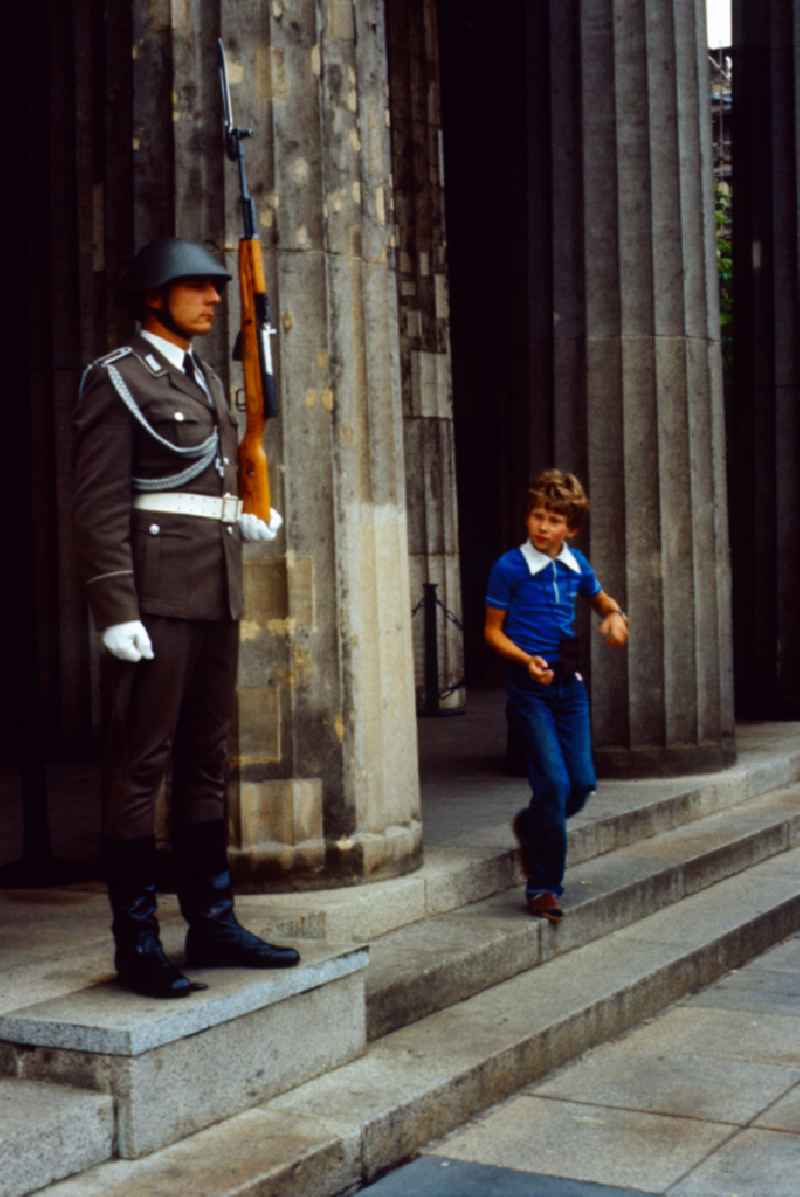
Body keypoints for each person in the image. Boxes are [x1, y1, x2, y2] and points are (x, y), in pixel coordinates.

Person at [73, 237, 300, 999]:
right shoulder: (117, 378)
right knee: (141, 765)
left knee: (208, 759)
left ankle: (212, 920)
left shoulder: (203, 375)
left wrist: (244, 516)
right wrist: (115, 605)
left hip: (213, 591)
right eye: (197, 288)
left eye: (214, 287)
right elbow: (100, 502)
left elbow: (207, 477)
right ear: (156, 297)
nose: (213, 299)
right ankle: (137, 939)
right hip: (156, 596)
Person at [484, 469, 629, 923]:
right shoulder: (510, 566)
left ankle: (531, 825)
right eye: (537, 516)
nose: (543, 526)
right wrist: (525, 659)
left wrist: (615, 616)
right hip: (530, 688)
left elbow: (600, 599)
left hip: (570, 687)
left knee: (581, 782)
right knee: (553, 783)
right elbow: (492, 632)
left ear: (571, 528)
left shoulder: (576, 564)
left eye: (553, 520)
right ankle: (544, 886)